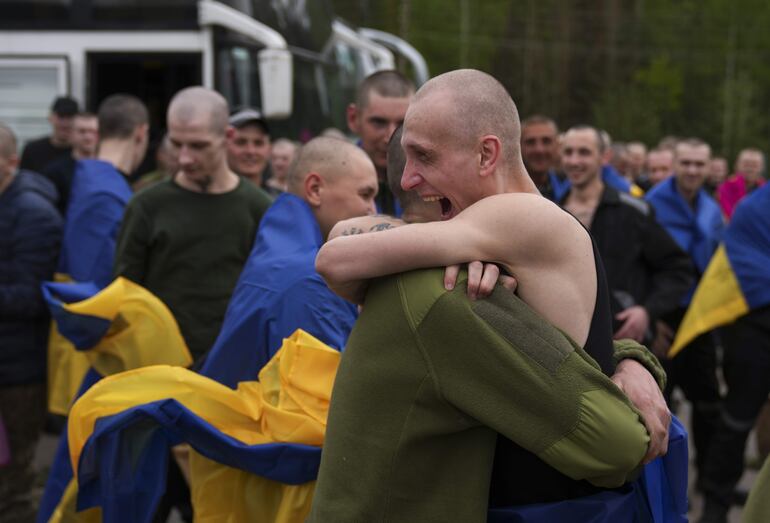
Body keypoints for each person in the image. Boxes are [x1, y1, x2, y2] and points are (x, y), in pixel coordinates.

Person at [312, 69, 670, 516]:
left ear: (486, 154)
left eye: (424, 156)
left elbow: (334, 259)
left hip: (556, 504)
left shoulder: (514, 220)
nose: (406, 180)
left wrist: (633, 363)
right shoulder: (498, 232)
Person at [200, 136, 377, 387]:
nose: (373, 210)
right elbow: (324, 399)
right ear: (315, 189)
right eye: (365, 194)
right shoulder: (312, 281)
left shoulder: (281, 246)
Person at [114, 87, 273, 364]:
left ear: (227, 137)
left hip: (233, 365)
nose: (184, 158)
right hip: (159, 366)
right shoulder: (146, 206)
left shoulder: (259, 207)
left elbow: (269, 294)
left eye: (198, 146)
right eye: (176, 144)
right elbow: (125, 295)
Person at [559, 125, 693, 345]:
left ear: (604, 157)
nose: (574, 161)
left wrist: (647, 311)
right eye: (568, 152)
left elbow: (677, 267)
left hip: (621, 339)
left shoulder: (633, 211)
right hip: (565, 340)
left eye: (584, 152)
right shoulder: (548, 209)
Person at [645, 138, 725, 483]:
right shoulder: (651, 205)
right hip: (665, 316)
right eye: (686, 163)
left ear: (709, 167)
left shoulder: (710, 208)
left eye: (699, 164)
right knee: (658, 404)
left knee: (708, 401)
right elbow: (641, 266)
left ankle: (708, 477)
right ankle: (660, 485)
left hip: (700, 316)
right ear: (675, 164)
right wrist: (653, 320)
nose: (692, 170)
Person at [0, 123, 62, 523]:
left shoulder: (34, 215)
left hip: (17, 375)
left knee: (13, 485)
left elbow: (32, 297)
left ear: (12, 162)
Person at [346, 70, 414, 215]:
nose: (391, 137)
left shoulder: (431, 186)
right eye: (379, 122)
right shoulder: (333, 186)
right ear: (353, 118)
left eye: (402, 124)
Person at [41, 111, 99, 215]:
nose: (88, 137)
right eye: (82, 131)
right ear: (71, 134)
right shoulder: (55, 172)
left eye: (93, 132)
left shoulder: (109, 168)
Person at [20, 96, 79, 174]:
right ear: (50, 117)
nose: (65, 124)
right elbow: (24, 179)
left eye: (70, 117)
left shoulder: (83, 152)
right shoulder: (32, 150)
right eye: (61, 116)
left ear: (79, 121)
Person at [520, 114, 567, 201]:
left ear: (557, 145)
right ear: (519, 146)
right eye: (530, 142)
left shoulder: (570, 189)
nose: (539, 150)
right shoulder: (505, 191)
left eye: (546, 141)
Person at [226, 107, 272, 187]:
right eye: (241, 142)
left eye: (258, 143)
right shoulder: (206, 194)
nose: (251, 151)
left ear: (269, 149)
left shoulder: (282, 195)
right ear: (223, 147)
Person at [717, 147, 766, 219]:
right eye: (746, 164)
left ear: (762, 167)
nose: (750, 168)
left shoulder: (765, 189)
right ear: (737, 165)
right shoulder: (726, 187)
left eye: (755, 165)